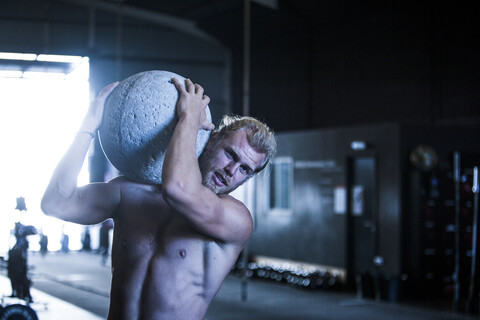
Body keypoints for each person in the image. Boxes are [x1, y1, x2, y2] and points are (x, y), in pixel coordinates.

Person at [41, 78, 276, 320]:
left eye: (245, 169)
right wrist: (88, 126)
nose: (232, 171)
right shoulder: (132, 193)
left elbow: (178, 189)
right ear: (212, 140)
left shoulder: (235, 219)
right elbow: (56, 203)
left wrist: (189, 119)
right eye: (230, 154)